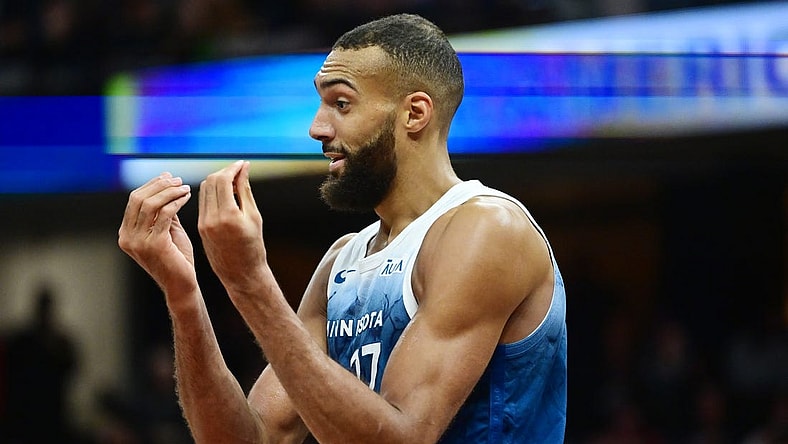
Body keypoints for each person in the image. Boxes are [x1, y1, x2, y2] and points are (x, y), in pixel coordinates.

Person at [118, 13, 567, 443]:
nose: (317, 127)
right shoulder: (344, 259)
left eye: (341, 103)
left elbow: (402, 438)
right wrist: (184, 296)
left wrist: (250, 282)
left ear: (414, 113)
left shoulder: (487, 228)